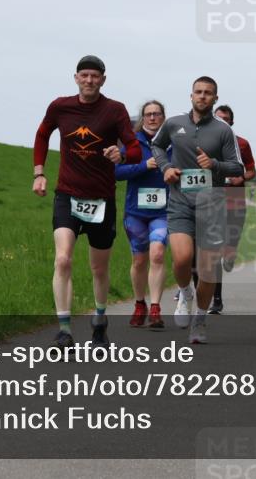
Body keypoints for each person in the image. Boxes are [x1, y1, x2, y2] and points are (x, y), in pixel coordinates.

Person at [33, 55, 142, 351]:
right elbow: (42, 134)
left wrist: (122, 155)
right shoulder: (60, 106)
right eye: (84, 75)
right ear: (76, 78)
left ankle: (100, 320)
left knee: (98, 268)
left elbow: (134, 148)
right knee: (63, 259)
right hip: (67, 195)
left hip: (101, 199)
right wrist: (39, 173)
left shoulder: (114, 110)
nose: (89, 80)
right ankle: (64, 331)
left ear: (103, 80)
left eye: (95, 76)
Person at [150, 76, 244, 344]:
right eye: (198, 92)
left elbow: (237, 167)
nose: (202, 96)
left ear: (215, 98)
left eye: (208, 93)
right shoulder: (174, 123)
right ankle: (185, 293)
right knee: (181, 259)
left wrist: (214, 164)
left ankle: (200, 319)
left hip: (212, 206)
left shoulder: (223, 130)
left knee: (208, 269)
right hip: (180, 202)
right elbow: (156, 144)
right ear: (191, 95)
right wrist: (166, 167)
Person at [115, 100, 170, 329]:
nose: (153, 118)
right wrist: (143, 166)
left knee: (157, 254)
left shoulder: (173, 143)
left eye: (157, 114)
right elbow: (117, 172)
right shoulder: (132, 143)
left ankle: (155, 308)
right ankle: (140, 304)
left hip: (163, 212)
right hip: (135, 212)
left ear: (163, 117)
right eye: (148, 114)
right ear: (142, 117)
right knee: (139, 261)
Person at [211, 104, 256, 314]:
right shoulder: (206, 143)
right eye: (217, 118)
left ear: (231, 122)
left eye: (225, 119)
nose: (221, 122)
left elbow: (252, 171)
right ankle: (217, 299)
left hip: (235, 203)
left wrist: (241, 178)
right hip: (213, 203)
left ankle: (231, 255)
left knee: (228, 249)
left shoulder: (242, 144)